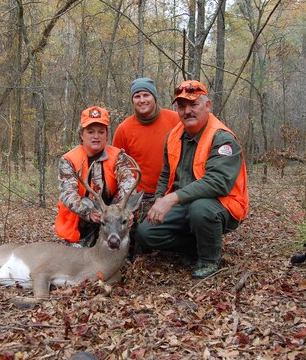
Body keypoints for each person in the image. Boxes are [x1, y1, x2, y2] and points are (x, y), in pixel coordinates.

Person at [135, 80, 249, 279]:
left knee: (200, 209)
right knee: (146, 233)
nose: (187, 111)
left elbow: (217, 183)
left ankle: (209, 259)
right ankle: (195, 246)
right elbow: (165, 174)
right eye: (181, 106)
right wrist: (160, 198)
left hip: (223, 205)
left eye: (194, 104)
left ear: (207, 105)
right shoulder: (173, 136)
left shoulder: (223, 139)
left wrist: (171, 199)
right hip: (183, 203)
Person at [55, 106, 137, 247]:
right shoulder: (69, 160)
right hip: (82, 222)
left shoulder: (118, 156)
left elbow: (128, 182)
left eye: (101, 132)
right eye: (90, 132)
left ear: (106, 135)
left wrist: (126, 210)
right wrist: (89, 213)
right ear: (82, 134)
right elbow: (67, 194)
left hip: (112, 219)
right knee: (79, 262)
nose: (96, 136)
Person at [112, 77, 180, 220]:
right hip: (138, 196)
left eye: (146, 95)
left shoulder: (176, 120)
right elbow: (117, 167)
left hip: (171, 194)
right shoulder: (124, 129)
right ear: (133, 101)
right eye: (137, 96)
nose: (142, 100)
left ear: (154, 97)